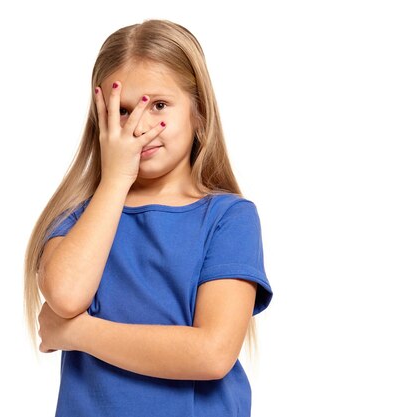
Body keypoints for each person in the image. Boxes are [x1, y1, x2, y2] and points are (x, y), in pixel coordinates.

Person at [23, 18, 273, 417]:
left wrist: (79, 333)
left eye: (158, 105)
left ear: (198, 113)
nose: (138, 126)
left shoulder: (229, 218)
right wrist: (116, 179)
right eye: (122, 111)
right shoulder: (77, 219)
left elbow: (211, 354)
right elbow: (67, 294)